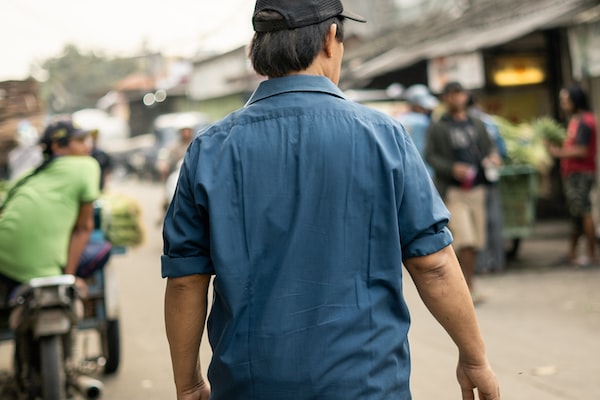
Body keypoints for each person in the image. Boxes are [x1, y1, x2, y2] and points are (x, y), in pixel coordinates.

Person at [162, 2, 500, 400]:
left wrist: (188, 382)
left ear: (258, 49)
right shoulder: (383, 136)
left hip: (251, 386)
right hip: (368, 385)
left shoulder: (210, 149)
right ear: (330, 38)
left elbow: (186, 281)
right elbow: (435, 264)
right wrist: (474, 358)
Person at [0, 119, 100, 303]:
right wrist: (69, 278)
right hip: (44, 269)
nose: (87, 146)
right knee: (103, 248)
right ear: (58, 146)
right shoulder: (87, 165)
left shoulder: (27, 176)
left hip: (4, 259)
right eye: (79, 141)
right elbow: (84, 228)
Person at [424, 81, 502, 301]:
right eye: (452, 95)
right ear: (446, 98)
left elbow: (489, 147)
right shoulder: (438, 126)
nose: (457, 98)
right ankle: (465, 287)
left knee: (476, 242)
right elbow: (430, 156)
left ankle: (469, 284)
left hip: (477, 189)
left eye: (460, 94)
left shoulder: (476, 123)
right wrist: (452, 168)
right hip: (454, 192)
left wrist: (493, 157)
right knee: (465, 239)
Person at [547, 84, 597, 267]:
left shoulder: (585, 121)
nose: (563, 104)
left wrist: (557, 153)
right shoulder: (577, 120)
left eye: (565, 100)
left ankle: (592, 253)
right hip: (574, 173)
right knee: (577, 213)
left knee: (583, 210)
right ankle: (572, 252)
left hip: (581, 173)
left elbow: (582, 151)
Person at [467, 93, 507, 272]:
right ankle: (498, 263)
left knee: (478, 223)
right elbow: (502, 150)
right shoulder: (490, 122)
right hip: (491, 178)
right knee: (494, 221)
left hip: (473, 182)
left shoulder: (467, 123)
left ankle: (481, 265)